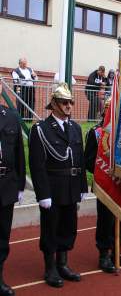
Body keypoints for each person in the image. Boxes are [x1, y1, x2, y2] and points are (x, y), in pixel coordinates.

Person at [29, 83, 88, 288]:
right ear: (53, 104)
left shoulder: (75, 128)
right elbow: (37, 165)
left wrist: (82, 187)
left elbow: (79, 160)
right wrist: (42, 194)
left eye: (71, 101)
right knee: (51, 228)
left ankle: (63, 263)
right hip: (53, 187)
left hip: (71, 186)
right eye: (64, 102)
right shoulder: (41, 129)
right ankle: (50, 267)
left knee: (68, 227)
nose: (69, 105)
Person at [83, 99, 121, 274]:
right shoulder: (95, 133)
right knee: (105, 221)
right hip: (105, 183)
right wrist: (105, 170)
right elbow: (88, 160)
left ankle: (117, 252)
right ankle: (104, 254)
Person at [0, 81, 26, 296]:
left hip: (5, 184)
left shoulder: (11, 116)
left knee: (2, 235)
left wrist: (19, 185)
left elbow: (18, 152)